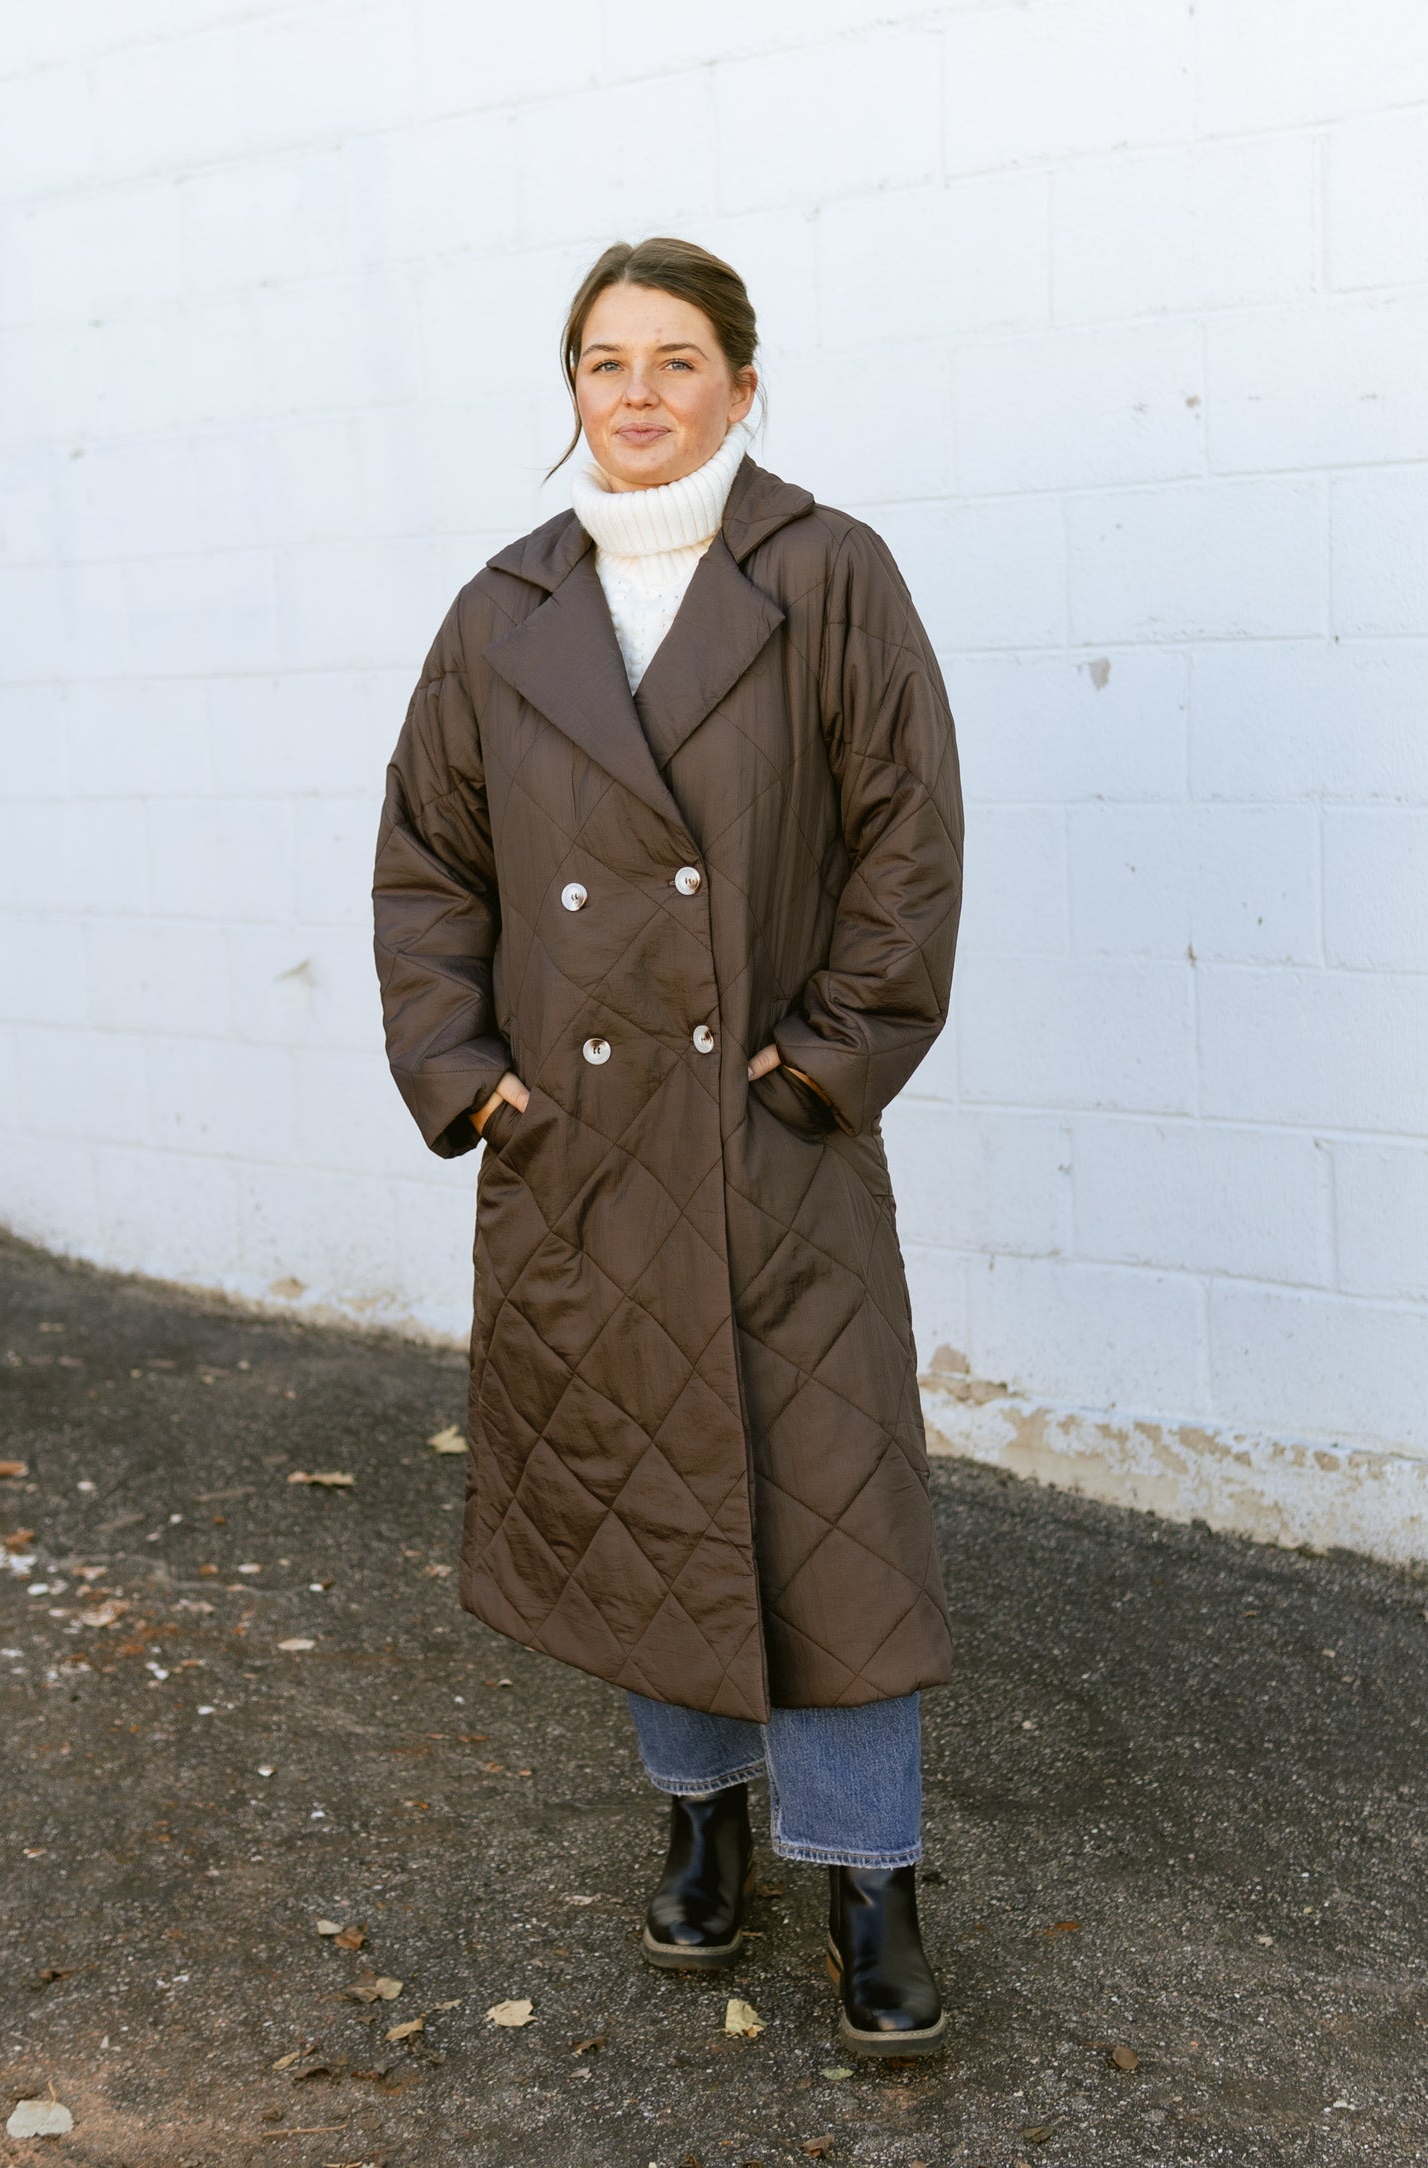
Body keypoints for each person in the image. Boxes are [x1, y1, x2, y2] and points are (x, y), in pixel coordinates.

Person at [372, 237, 965, 2057]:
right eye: (603, 363)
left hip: (768, 1133)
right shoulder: (500, 608)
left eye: (676, 360)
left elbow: (904, 843)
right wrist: (472, 1079)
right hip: (579, 1145)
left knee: (833, 1510)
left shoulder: (825, 573)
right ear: (571, 394)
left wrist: (820, 1065)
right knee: (646, 1495)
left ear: (742, 383)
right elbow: (428, 870)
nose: (637, 393)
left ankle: (871, 1876)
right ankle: (701, 1825)